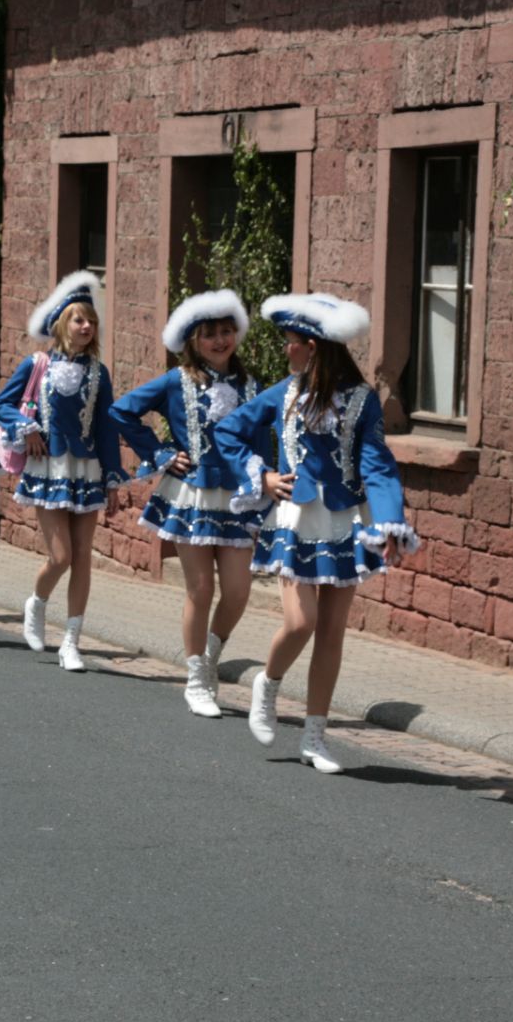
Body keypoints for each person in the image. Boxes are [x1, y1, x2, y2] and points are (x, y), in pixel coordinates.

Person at [217, 293, 414, 774]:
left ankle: (315, 736)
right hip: (296, 520)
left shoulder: (363, 401)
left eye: (289, 343)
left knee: (330, 632)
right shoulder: (283, 393)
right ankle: (268, 682)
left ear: (311, 346)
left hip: (344, 523)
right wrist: (260, 475)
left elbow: (378, 466)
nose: (285, 351)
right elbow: (228, 432)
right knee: (300, 622)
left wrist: (389, 521)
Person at [111, 289, 257, 716]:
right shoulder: (177, 380)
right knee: (200, 588)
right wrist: (159, 453)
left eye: (226, 331)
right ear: (193, 340)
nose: (219, 341)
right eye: (209, 333)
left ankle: (210, 657)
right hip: (191, 493)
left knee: (238, 591)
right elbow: (122, 412)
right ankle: (195, 678)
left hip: (238, 498)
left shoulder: (251, 385)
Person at [0, 270, 124, 671]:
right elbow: (0, 404)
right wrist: (25, 427)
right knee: (61, 555)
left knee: (83, 556)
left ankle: (72, 641)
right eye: (78, 319)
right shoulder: (38, 364)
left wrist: (114, 479)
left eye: (91, 321)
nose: (86, 326)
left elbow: (106, 429)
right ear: (61, 323)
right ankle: (36, 603)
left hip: (86, 471)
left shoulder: (99, 373)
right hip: (47, 467)